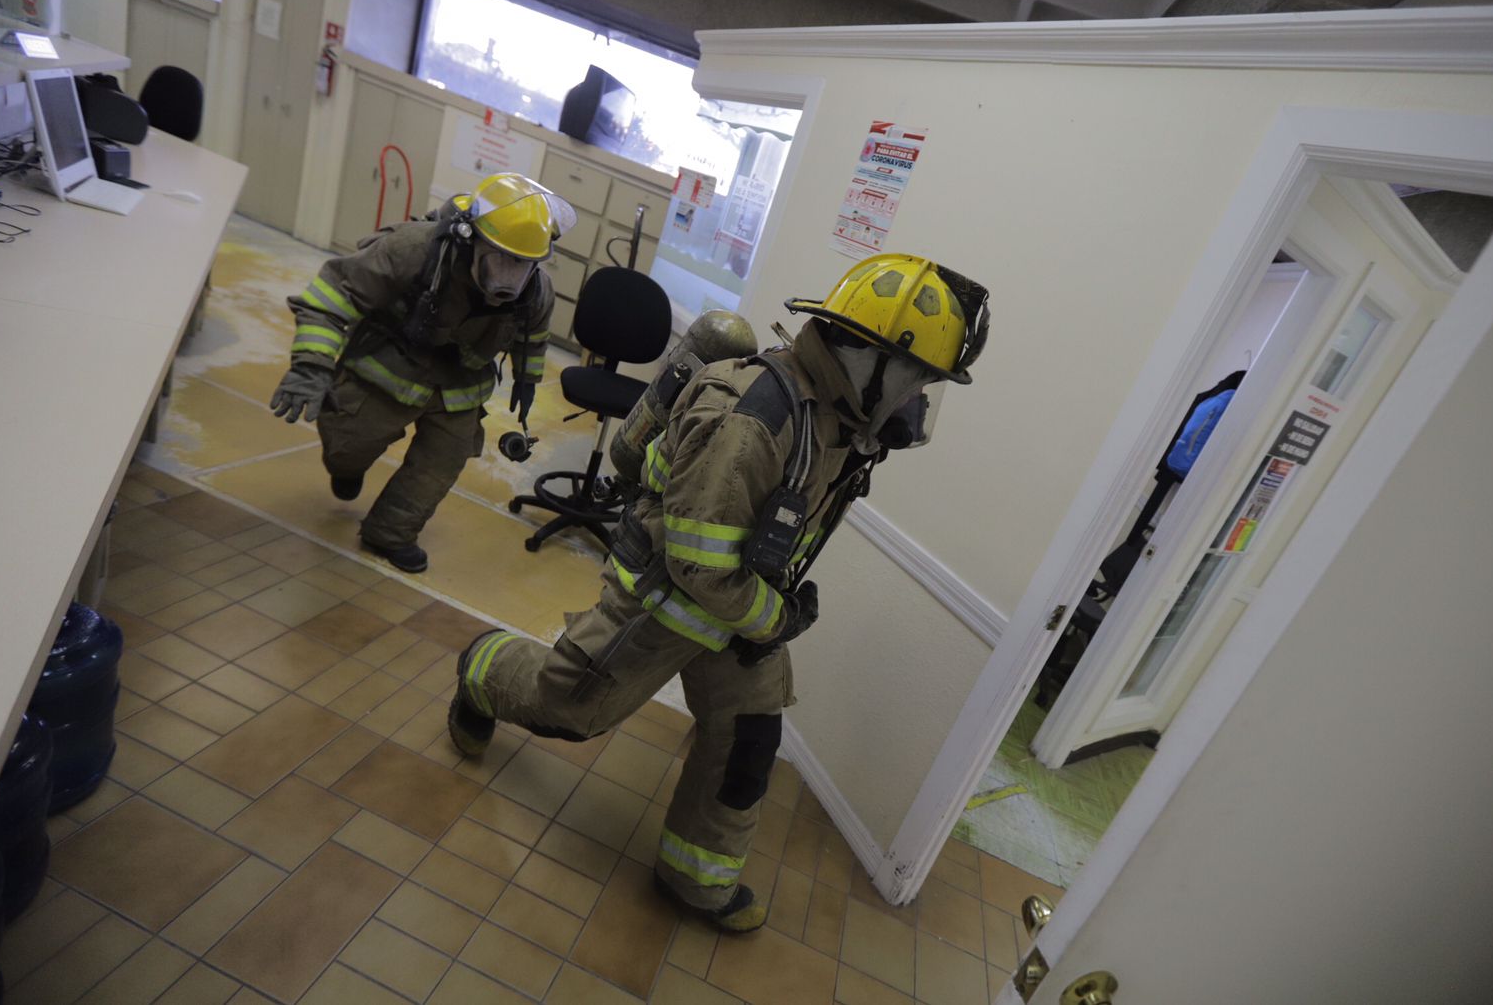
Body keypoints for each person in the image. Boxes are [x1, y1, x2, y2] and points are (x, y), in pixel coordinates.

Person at [445, 253, 989, 931]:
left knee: (747, 738)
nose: (917, 405)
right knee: (570, 709)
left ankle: (695, 880)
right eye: (918, 383)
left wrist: (767, 618)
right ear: (871, 361)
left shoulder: (837, 421)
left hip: (738, 612)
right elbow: (699, 567)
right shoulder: (754, 420)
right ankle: (482, 668)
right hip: (665, 602)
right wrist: (777, 620)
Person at [269, 173, 574, 573]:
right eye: (501, 258)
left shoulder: (536, 289)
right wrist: (311, 366)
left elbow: (532, 337)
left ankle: (390, 534)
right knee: (347, 446)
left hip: (461, 384)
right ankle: (346, 468)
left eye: (523, 264)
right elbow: (333, 295)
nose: (511, 276)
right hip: (390, 366)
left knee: (440, 464)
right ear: (471, 240)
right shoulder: (413, 249)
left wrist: (527, 380)